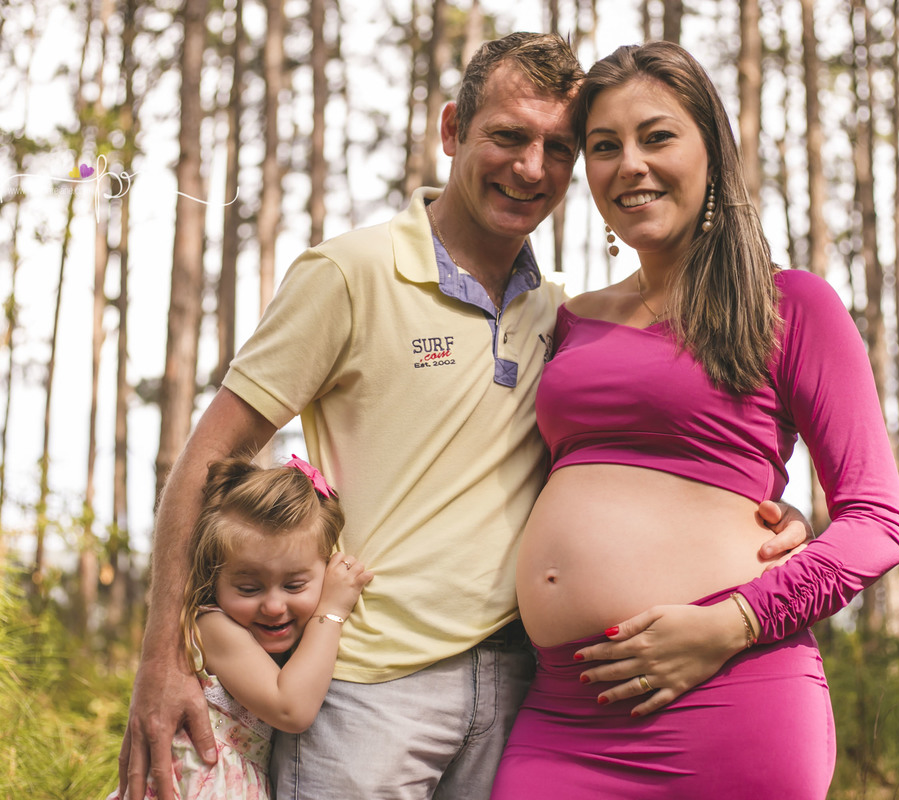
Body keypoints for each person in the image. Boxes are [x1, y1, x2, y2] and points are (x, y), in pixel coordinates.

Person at [118, 33, 811, 800]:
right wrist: (164, 658)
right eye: (508, 136)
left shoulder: (564, 320)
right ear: (453, 130)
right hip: (369, 693)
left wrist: (761, 522)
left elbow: (632, 456)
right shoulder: (349, 274)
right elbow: (210, 458)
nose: (530, 168)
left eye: (557, 148)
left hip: (524, 695)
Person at [491, 42, 899, 799]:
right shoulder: (569, 320)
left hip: (728, 695)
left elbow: (878, 521)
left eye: (657, 136)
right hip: (563, 713)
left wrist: (734, 624)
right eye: (604, 146)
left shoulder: (791, 305)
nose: (630, 165)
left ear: (711, 150)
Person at [110, 454, 371, 799]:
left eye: (294, 586)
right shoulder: (213, 626)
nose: (274, 606)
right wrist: (331, 611)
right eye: (248, 589)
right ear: (215, 578)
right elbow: (291, 708)